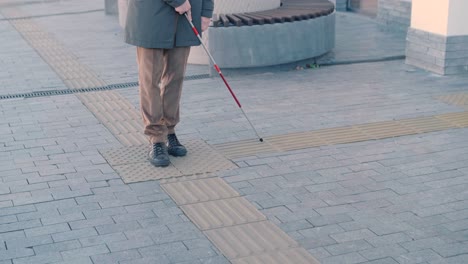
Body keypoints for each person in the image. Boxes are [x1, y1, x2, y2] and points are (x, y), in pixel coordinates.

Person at [124, 0, 213, 167]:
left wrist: (206, 11)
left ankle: (169, 129)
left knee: (175, 78)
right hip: (151, 15)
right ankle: (156, 137)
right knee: (150, 80)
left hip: (185, 17)